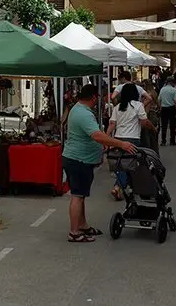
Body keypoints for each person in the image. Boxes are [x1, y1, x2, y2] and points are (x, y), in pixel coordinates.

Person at [60, 84, 137, 243]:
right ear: (93, 97)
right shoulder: (83, 114)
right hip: (78, 159)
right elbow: (96, 136)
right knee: (77, 195)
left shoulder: (79, 109)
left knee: (81, 195)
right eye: (98, 98)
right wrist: (120, 144)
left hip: (80, 158)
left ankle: (82, 225)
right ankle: (74, 232)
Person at [107, 82, 156, 199]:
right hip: (133, 138)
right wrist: (153, 128)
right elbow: (144, 122)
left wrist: (107, 137)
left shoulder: (117, 107)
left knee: (121, 163)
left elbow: (112, 123)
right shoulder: (138, 105)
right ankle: (119, 187)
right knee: (130, 164)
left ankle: (122, 186)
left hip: (118, 138)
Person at [141, 80, 161, 152]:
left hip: (149, 116)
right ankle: (155, 152)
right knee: (154, 137)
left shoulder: (148, 95)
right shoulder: (154, 93)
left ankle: (150, 153)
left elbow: (146, 109)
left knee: (148, 137)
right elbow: (159, 105)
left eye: (143, 85)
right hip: (154, 115)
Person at [158, 78, 176, 146]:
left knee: (164, 125)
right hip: (172, 108)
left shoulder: (162, 89)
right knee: (172, 125)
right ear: (172, 83)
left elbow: (159, 100)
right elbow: (175, 101)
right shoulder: (174, 90)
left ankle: (163, 141)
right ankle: (172, 141)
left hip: (164, 108)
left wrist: (160, 107)